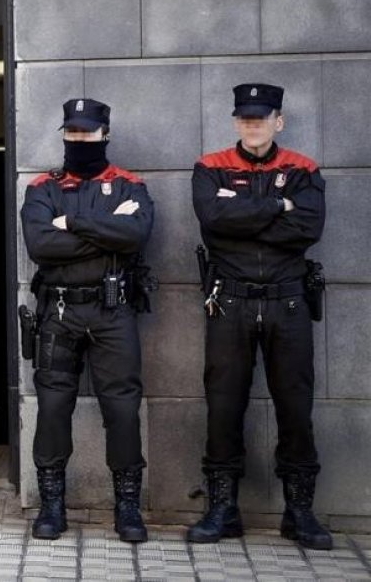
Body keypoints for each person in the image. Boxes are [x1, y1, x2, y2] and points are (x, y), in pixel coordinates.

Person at [187, 83, 330, 549]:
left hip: (288, 303)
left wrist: (243, 213)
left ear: (278, 121)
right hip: (230, 301)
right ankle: (222, 509)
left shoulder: (304, 169)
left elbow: (307, 228)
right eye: (245, 118)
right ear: (235, 122)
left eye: (262, 117)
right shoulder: (211, 168)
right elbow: (214, 223)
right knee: (224, 405)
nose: (253, 124)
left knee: (295, 407)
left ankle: (299, 512)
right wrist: (276, 206)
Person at [20, 98, 155, 543]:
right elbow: (42, 246)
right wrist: (104, 234)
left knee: (122, 408)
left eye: (88, 132)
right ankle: (52, 507)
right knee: (54, 407)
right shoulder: (42, 187)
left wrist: (73, 221)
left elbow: (135, 237)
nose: (79, 139)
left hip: (113, 311)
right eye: (72, 132)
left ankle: (128, 509)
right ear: (64, 134)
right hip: (59, 311)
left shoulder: (129, 185)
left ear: (105, 134)